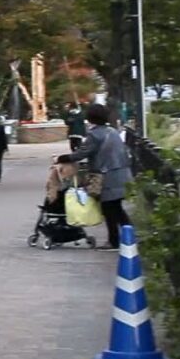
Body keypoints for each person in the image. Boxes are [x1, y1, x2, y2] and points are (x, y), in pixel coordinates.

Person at [56, 103, 133, 250]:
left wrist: (63, 158)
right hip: (122, 173)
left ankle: (114, 241)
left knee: (108, 210)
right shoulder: (113, 131)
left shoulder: (94, 134)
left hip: (107, 176)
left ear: (90, 117)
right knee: (117, 208)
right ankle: (130, 236)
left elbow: (81, 153)